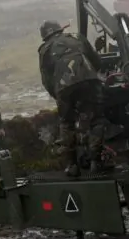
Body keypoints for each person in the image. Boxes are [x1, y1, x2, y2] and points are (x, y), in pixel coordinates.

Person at [38, 20, 108, 177]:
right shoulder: (77, 37)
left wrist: (58, 96)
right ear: (60, 30)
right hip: (89, 81)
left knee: (67, 124)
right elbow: (96, 61)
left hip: (64, 87)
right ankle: (96, 162)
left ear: (45, 36)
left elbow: (47, 79)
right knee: (96, 119)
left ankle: (72, 165)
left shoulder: (45, 50)